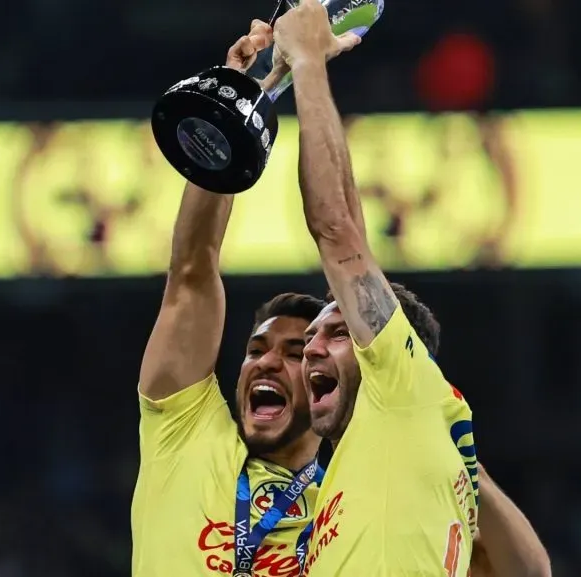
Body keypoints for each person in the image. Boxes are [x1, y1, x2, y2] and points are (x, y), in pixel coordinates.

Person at [132, 20, 360, 577]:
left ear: (328, 383)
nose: (267, 361)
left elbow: (347, 245)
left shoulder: (360, 493)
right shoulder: (184, 435)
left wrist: (310, 68)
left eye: (296, 352)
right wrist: (235, 105)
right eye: (259, 348)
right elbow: (191, 274)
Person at [272, 3, 479, 574]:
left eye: (337, 333)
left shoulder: (406, 387)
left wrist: (309, 62)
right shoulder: (393, 443)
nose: (309, 348)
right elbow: (354, 242)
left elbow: (336, 233)